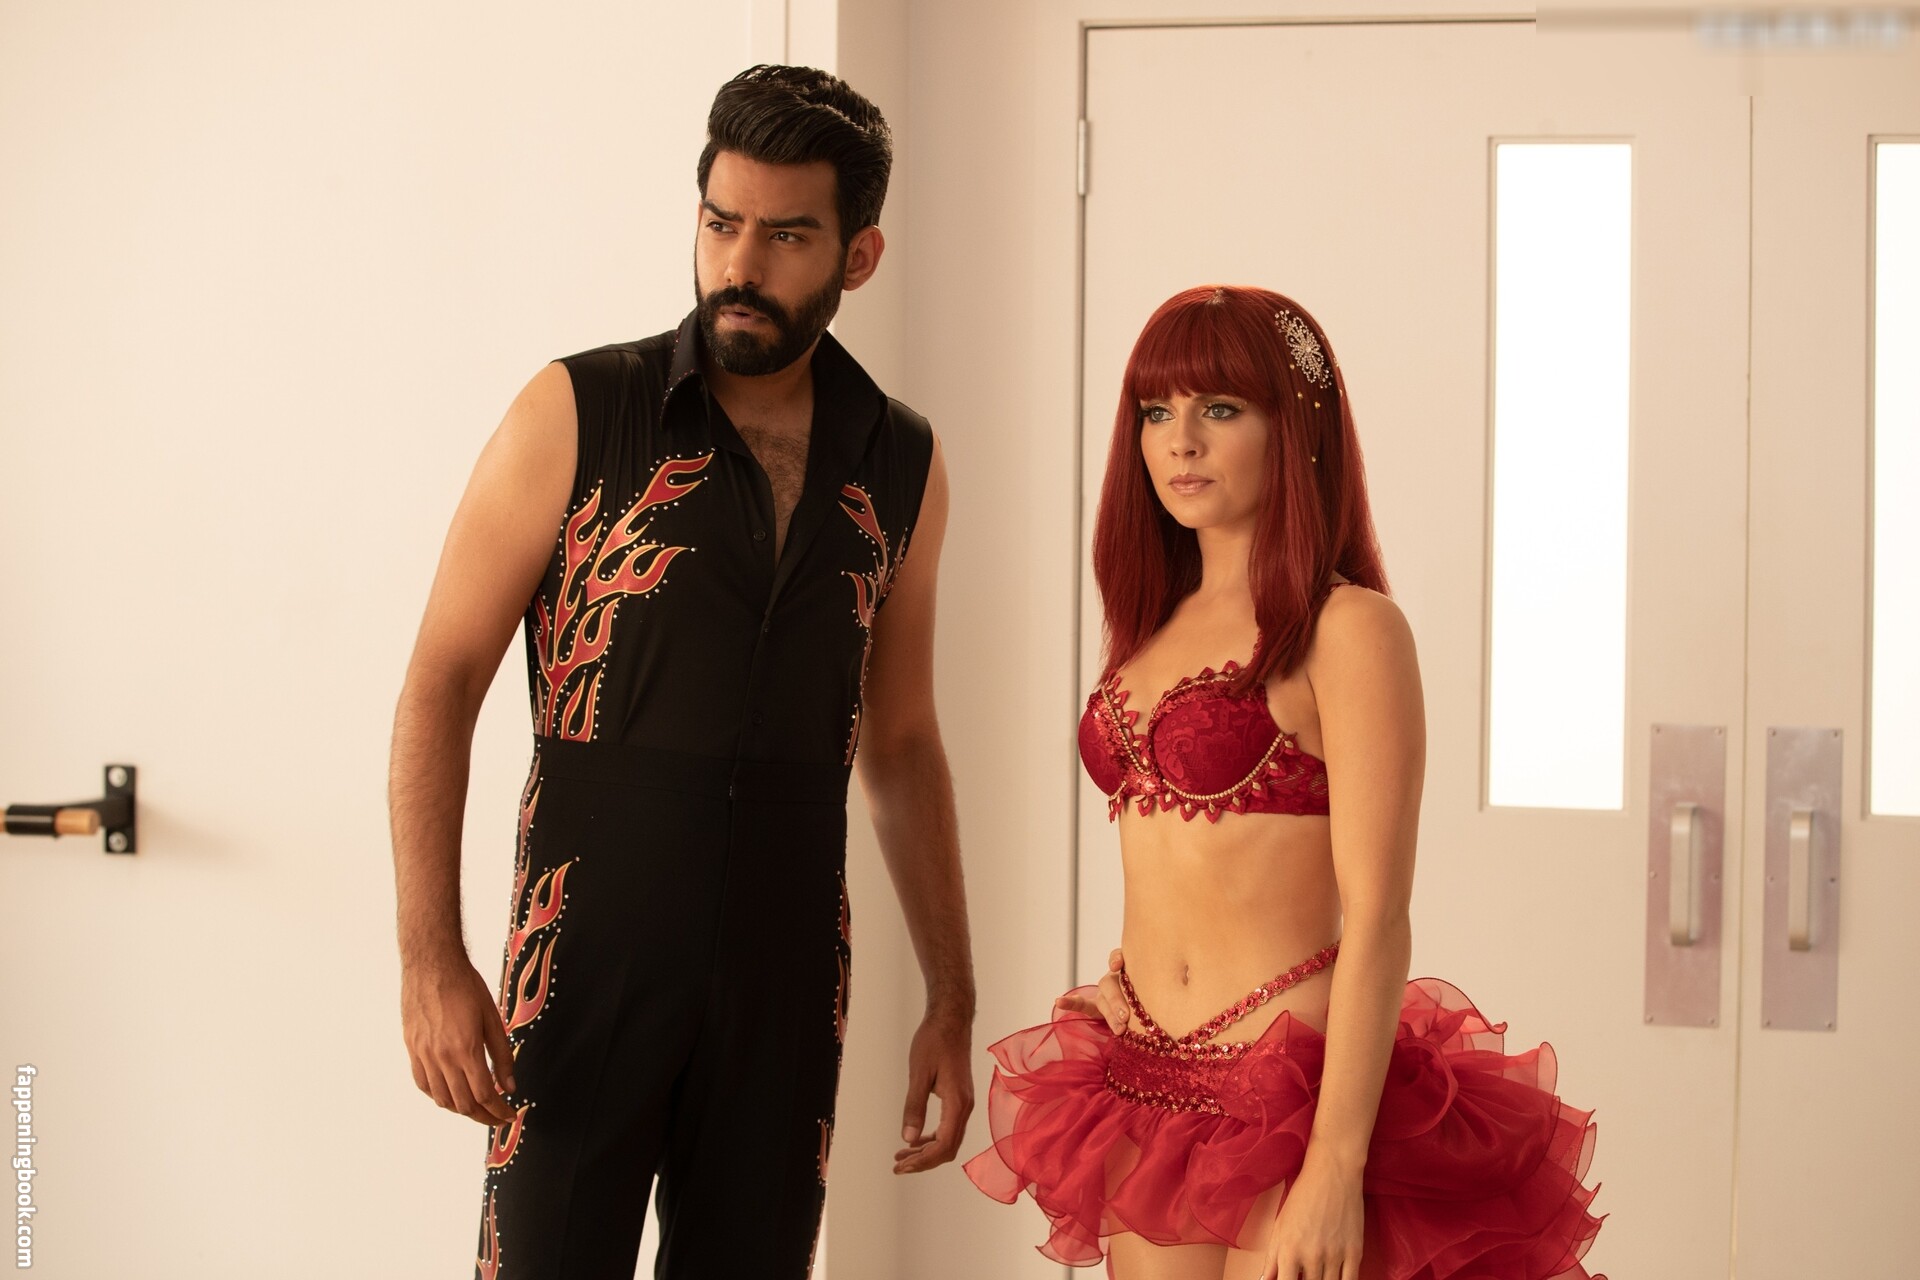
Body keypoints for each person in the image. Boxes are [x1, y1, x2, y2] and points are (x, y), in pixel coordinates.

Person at [389, 65, 974, 1280]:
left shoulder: (901, 460)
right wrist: (430, 958)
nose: (739, 264)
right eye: (720, 222)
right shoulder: (579, 409)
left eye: (787, 235)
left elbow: (903, 739)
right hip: (584, 955)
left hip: (786, 970)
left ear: (859, 256)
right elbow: (442, 678)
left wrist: (952, 993)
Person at [963, 286, 1604, 1280]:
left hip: (1296, 1097)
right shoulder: (1149, 626)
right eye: (1156, 411)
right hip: (1145, 1082)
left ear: (1295, 427)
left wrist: (1336, 1165)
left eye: (1219, 408)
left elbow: (1380, 914)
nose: (1181, 441)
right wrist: (1131, 977)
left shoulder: (1349, 629)